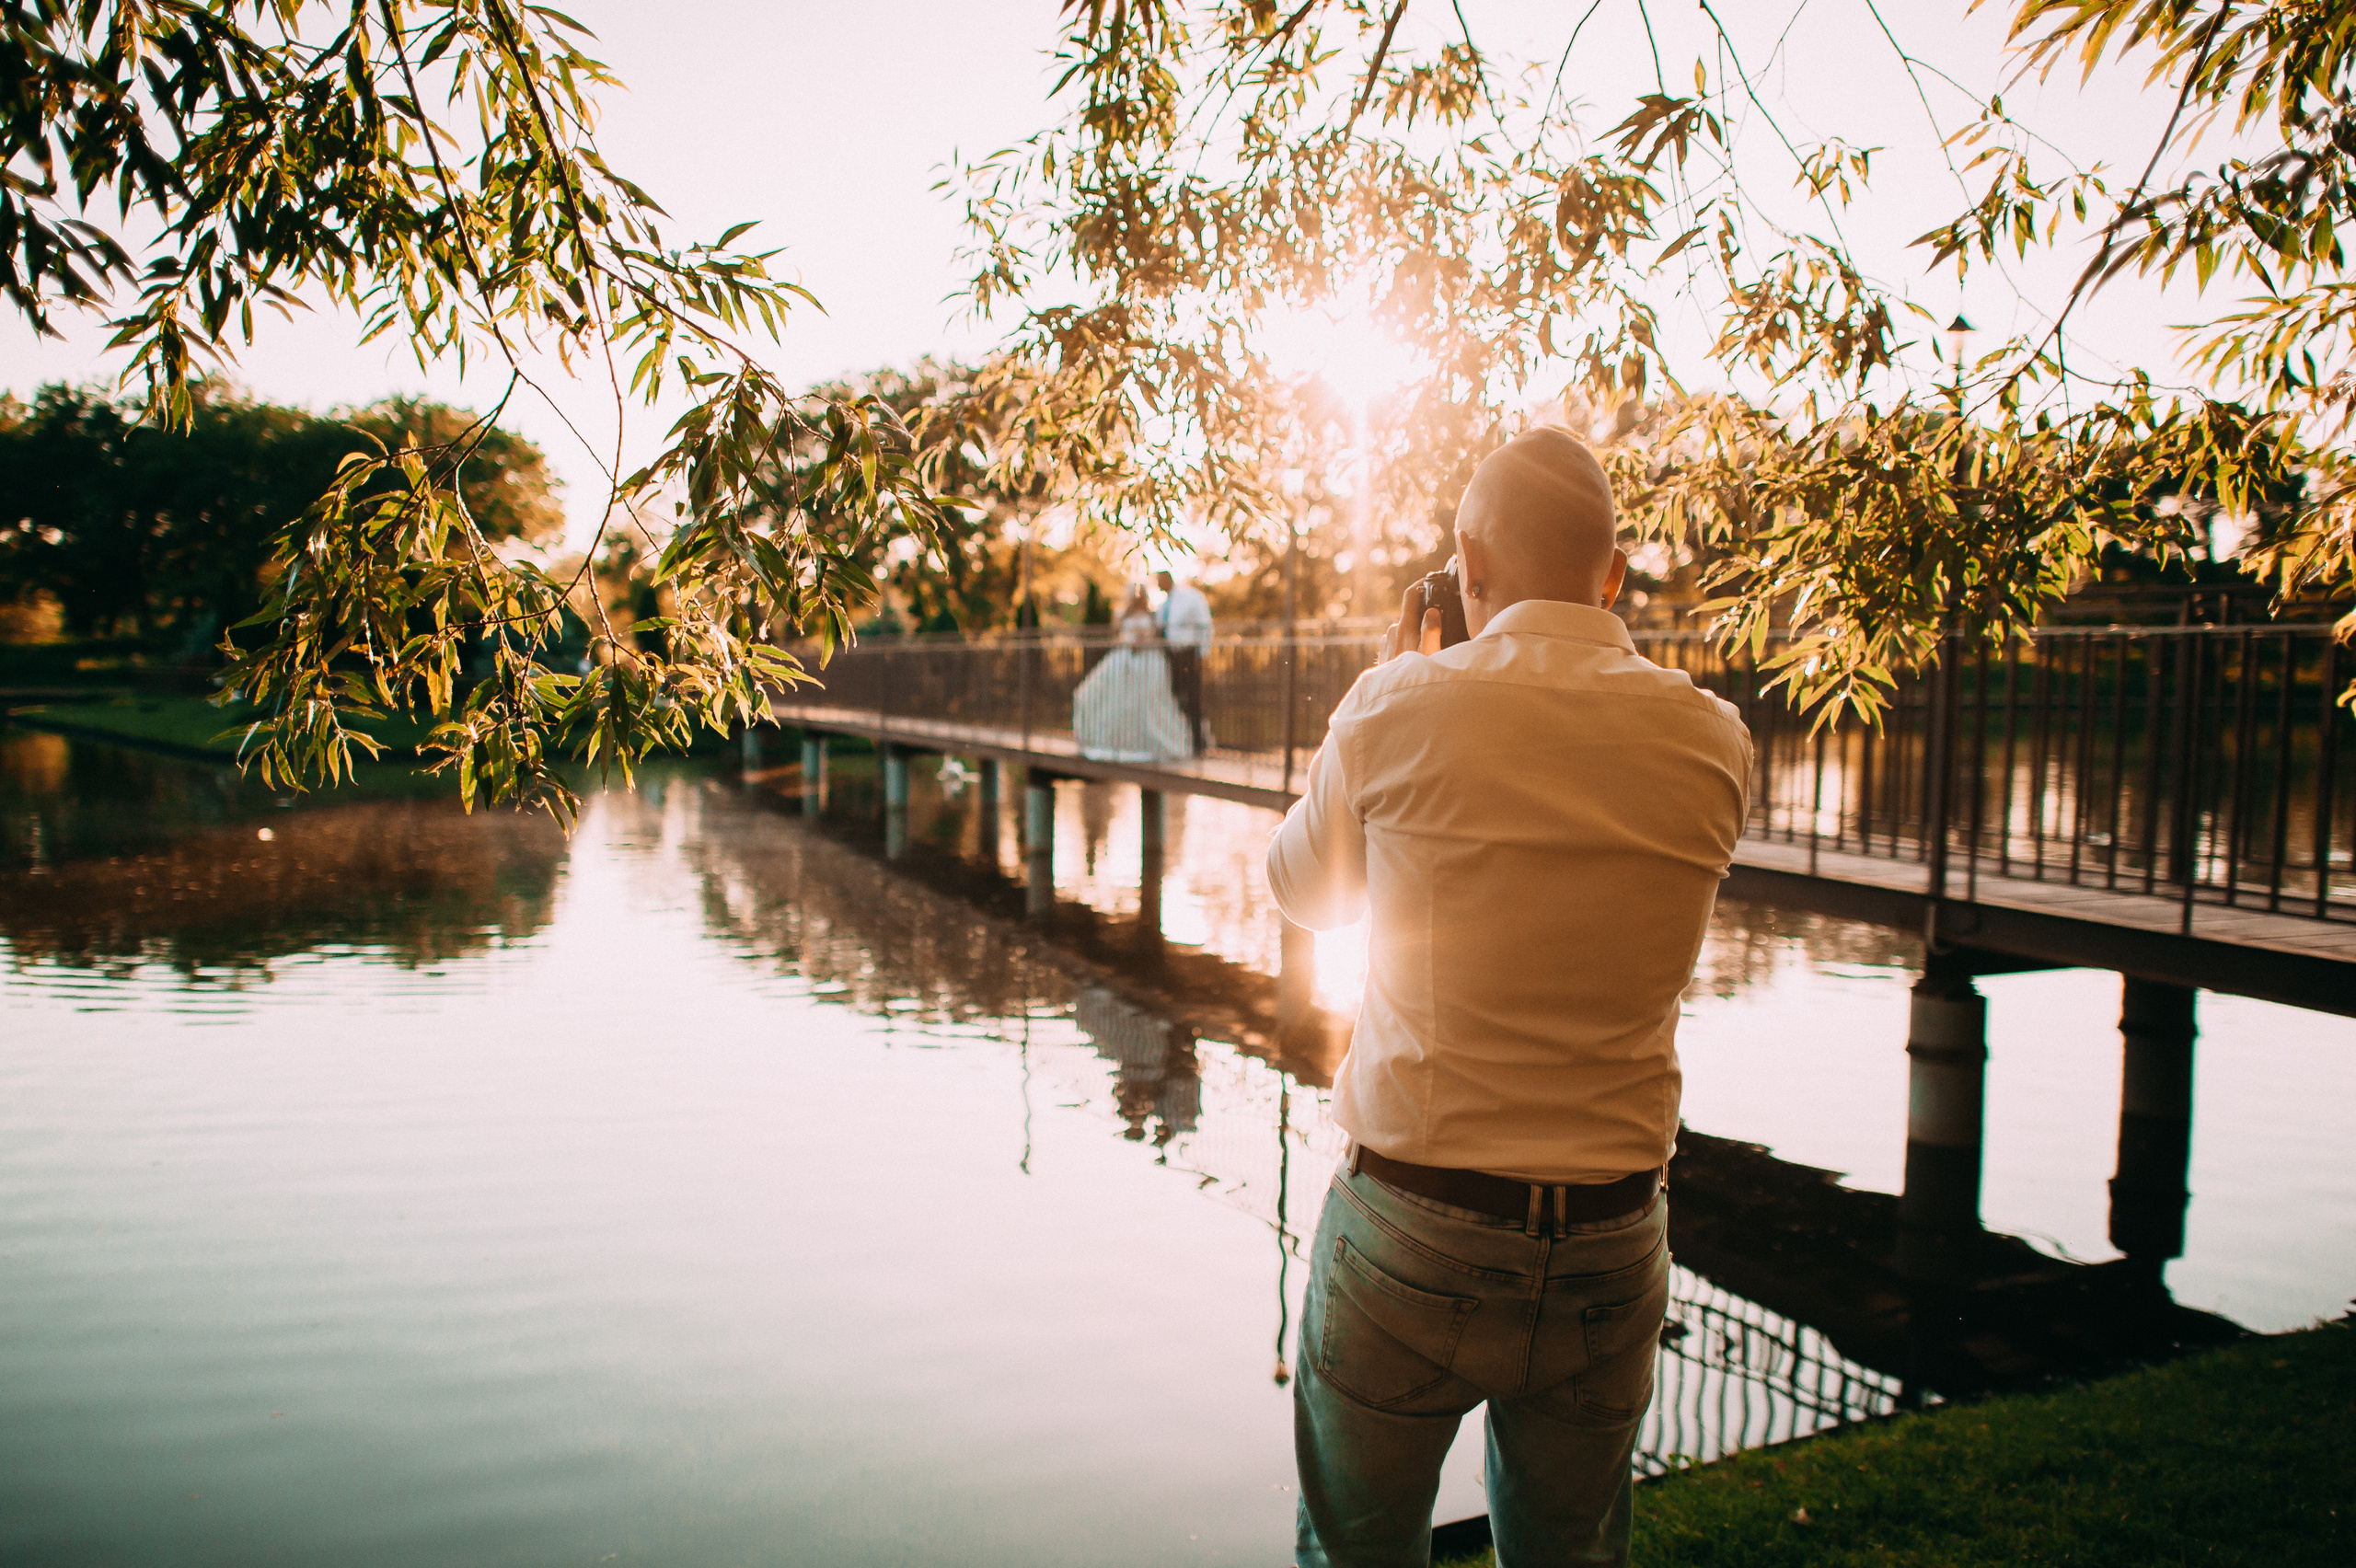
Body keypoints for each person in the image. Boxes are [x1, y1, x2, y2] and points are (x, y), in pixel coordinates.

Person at [1265, 427, 1752, 1568]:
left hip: (1411, 1232)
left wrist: (1380, 687)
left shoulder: (1394, 707)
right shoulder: (1714, 739)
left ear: (1466, 569)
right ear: (1614, 574)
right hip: (1611, 1242)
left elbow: (1306, 895)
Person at [1071, 585, 1193, 761]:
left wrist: (1143, 640)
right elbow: (1115, 635)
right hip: (1123, 659)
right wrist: (1129, 641)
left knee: (1146, 704)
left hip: (1146, 661)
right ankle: (1109, 741)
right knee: (1092, 694)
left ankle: (1147, 744)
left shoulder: (1152, 615)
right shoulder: (1122, 614)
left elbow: (1155, 636)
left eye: (1141, 594)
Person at [1153, 568, 1214, 755]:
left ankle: (1199, 743)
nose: (1158, 584)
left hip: (1189, 654)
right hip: (1171, 656)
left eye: (1160, 580)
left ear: (1168, 579)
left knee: (1193, 698)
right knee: (1177, 697)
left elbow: (1205, 625)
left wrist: (1201, 654)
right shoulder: (1163, 605)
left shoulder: (1191, 597)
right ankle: (1184, 741)